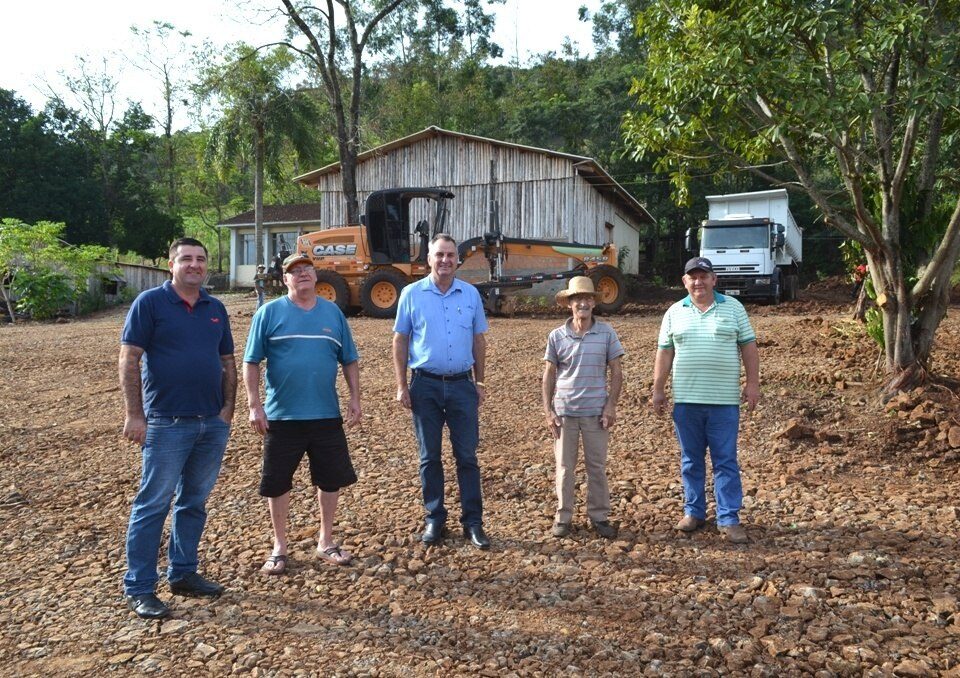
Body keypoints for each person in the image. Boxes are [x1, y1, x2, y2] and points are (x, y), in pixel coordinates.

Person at [119, 237, 237, 619]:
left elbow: (228, 361)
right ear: (171, 265)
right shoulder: (150, 304)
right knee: (153, 505)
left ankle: (183, 573)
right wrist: (135, 415)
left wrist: (227, 411)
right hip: (166, 422)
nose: (195, 265)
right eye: (186, 259)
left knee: (193, 503)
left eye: (201, 259)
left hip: (210, 423)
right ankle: (139, 587)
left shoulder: (215, 308)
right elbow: (129, 359)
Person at [244, 253, 361, 575]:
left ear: (316, 275)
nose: (302, 274)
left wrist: (355, 398)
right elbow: (251, 362)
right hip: (282, 416)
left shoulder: (333, 313)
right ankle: (279, 546)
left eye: (307, 269)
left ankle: (326, 540)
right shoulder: (268, 314)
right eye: (294, 271)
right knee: (278, 482)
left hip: (325, 414)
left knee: (330, 479)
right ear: (285, 280)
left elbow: (348, 359)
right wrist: (255, 405)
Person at [392, 234, 490, 549]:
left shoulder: (471, 295)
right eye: (439, 255)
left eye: (450, 255)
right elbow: (400, 341)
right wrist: (401, 385)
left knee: (467, 457)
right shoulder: (411, 294)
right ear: (429, 259)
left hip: (462, 385)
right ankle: (435, 519)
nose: (445, 261)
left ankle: (473, 523)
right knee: (429, 457)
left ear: (458, 260)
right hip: (425, 386)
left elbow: (479, 340)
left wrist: (480, 381)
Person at [652, 257, 760, 544]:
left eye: (704, 276)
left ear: (714, 280)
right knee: (691, 459)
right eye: (693, 277)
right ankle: (694, 511)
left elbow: (748, 347)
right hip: (686, 401)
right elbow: (664, 353)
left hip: (724, 402)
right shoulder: (674, 312)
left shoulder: (734, 308)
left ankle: (728, 518)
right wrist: (659, 389)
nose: (698, 282)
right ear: (685, 281)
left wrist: (752, 384)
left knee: (725, 460)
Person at [542, 276, 624, 539]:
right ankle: (563, 517)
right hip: (564, 413)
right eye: (577, 299)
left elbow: (617, 371)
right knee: (565, 468)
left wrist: (611, 406)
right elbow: (549, 374)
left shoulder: (607, 333)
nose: (583, 303)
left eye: (588, 298)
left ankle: (599, 517)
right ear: (569, 303)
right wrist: (548, 411)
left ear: (594, 302)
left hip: (596, 413)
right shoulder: (556, 336)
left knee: (596, 467)